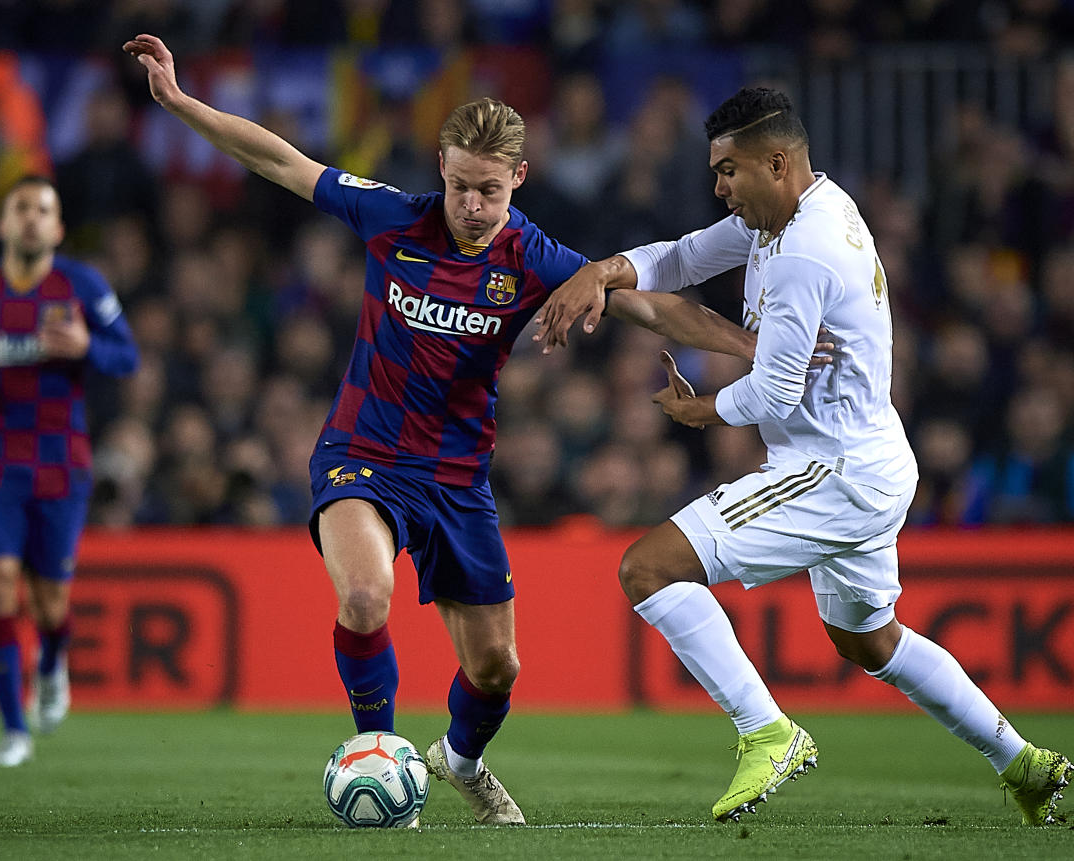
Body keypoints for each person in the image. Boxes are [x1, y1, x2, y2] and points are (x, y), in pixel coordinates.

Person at [123, 33, 763, 825]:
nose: (470, 205)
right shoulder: (393, 219)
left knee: (497, 668)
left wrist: (750, 344)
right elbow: (282, 161)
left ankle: (458, 760)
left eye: (488, 191)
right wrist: (183, 104)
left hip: (458, 479)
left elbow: (648, 305)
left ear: (517, 181)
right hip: (363, 454)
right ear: (441, 170)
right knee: (364, 596)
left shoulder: (534, 257)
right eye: (460, 185)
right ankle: (379, 756)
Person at [533, 87, 1074, 826]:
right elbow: (684, 257)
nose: (719, 187)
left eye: (728, 171)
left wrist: (702, 409)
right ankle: (1022, 762)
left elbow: (775, 394)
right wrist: (604, 269)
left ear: (777, 162)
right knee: (870, 639)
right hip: (875, 457)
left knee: (648, 567)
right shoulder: (801, 211)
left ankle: (767, 732)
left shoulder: (805, 254)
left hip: (833, 469)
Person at [0, 175, 139, 767]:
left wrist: (85, 350)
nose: (30, 219)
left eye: (42, 210)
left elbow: (127, 357)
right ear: (3, 224)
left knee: (50, 602)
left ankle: (51, 664)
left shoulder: (81, 286)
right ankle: (13, 730)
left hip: (60, 464)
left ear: (58, 228)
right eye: (21, 208)